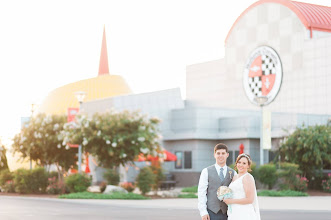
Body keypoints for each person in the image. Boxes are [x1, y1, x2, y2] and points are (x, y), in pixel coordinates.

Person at [198, 143, 236, 220]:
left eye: (223, 153)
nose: (220, 155)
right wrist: (203, 212)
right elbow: (201, 192)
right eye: (218, 153)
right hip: (211, 212)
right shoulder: (206, 171)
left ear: (227, 155)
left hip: (228, 212)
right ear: (214, 155)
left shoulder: (233, 173)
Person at [224, 153, 261, 220]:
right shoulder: (235, 177)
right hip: (234, 211)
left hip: (244, 212)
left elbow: (250, 199)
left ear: (248, 166)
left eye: (244, 163)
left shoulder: (247, 177)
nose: (241, 165)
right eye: (239, 162)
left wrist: (231, 201)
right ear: (236, 163)